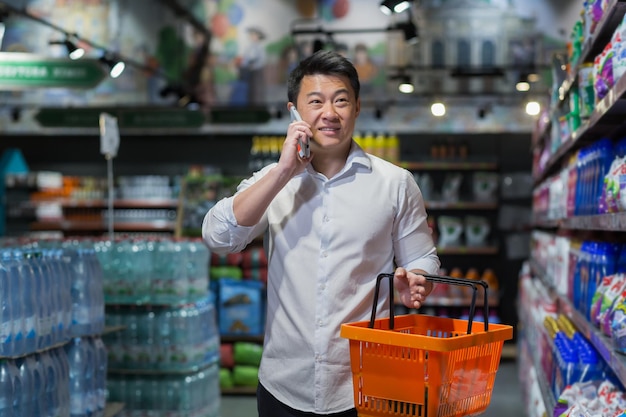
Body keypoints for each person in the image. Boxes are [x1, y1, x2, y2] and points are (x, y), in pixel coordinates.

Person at [202, 50, 440, 417]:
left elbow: (421, 257)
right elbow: (218, 238)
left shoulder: (395, 183)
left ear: (357, 108)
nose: (329, 113)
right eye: (315, 102)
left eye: (341, 101)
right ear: (293, 111)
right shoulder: (273, 180)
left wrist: (419, 277)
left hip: (366, 384)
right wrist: (283, 172)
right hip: (284, 384)